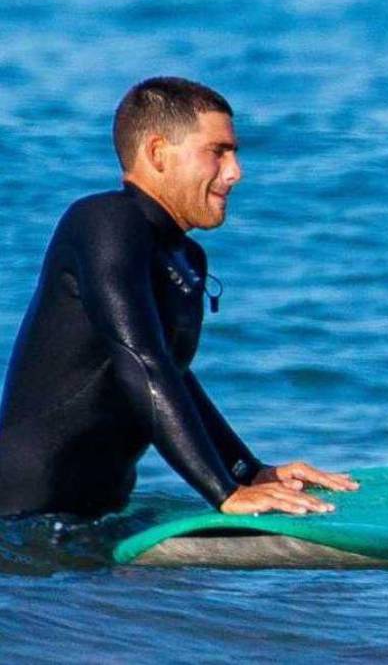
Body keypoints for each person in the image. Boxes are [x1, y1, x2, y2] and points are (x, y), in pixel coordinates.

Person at [0, 77, 356, 519]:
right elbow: (141, 360)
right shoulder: (104, 222)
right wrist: (224, 492)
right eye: (218, 152)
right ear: (157, 153)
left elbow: (171, 375)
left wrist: (248, 472)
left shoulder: (185, 257)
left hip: (94, 518)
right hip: (22, 522)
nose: (235, 172)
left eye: (234, 153)